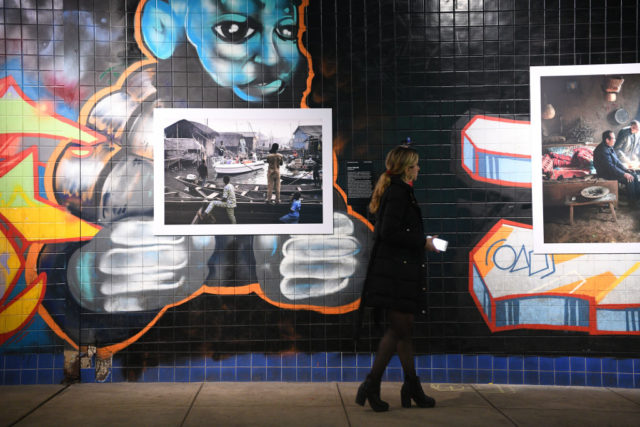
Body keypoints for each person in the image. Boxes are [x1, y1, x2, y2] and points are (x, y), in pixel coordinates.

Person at [356, 145, 438, 412]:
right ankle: (373, 384)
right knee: (398, 331)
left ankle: (410, 387)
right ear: (406, 168)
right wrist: (423, 242)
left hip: (396, 272)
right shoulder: (399, 193)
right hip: (395, 274)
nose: (419, 168)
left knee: (403, 331)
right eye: (415, 164)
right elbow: (388, 232)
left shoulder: (398, 191)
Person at [593, 130, 640, 205]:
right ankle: (632, 202)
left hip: (611, 170)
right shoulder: (602, 150)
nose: (615, 140)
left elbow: (617, 161)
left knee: (633, 174)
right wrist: (624, 174)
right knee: (630, 178)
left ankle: (637, 197)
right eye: (613, 138)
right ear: (607, 140)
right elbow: (610, 167)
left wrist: (625, 169)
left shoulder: (609, 146)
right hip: (606, 173)